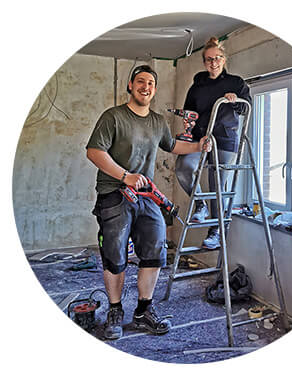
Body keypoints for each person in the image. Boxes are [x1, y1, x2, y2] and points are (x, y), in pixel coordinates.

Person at [86, 65, 211, 340]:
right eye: (140, 81)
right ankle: (116, 311)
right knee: (115, 256)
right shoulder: (113, 117)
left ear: (154, 89)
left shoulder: (157, 122)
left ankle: (143, 311)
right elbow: (94, 151)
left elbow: (172, 146)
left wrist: (199, 145)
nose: (146, 87)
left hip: (147, 197)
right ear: (130, 85)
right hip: (114, 194)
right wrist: (124, 176)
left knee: (155, 252)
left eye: (151, 83)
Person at [175, 37, 252, 250]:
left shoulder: (236, 83)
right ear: (204, 62)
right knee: (183, 168)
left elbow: (246, 109)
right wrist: (188, 120)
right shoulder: (198, 85)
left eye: (217, 58)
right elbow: (189, 110)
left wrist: (235, 100)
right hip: (201, 138)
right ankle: (200, 204)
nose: (213, 63)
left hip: (225, 139)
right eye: (209, 59)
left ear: (224, 59)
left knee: (217, 183)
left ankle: (216, 231)